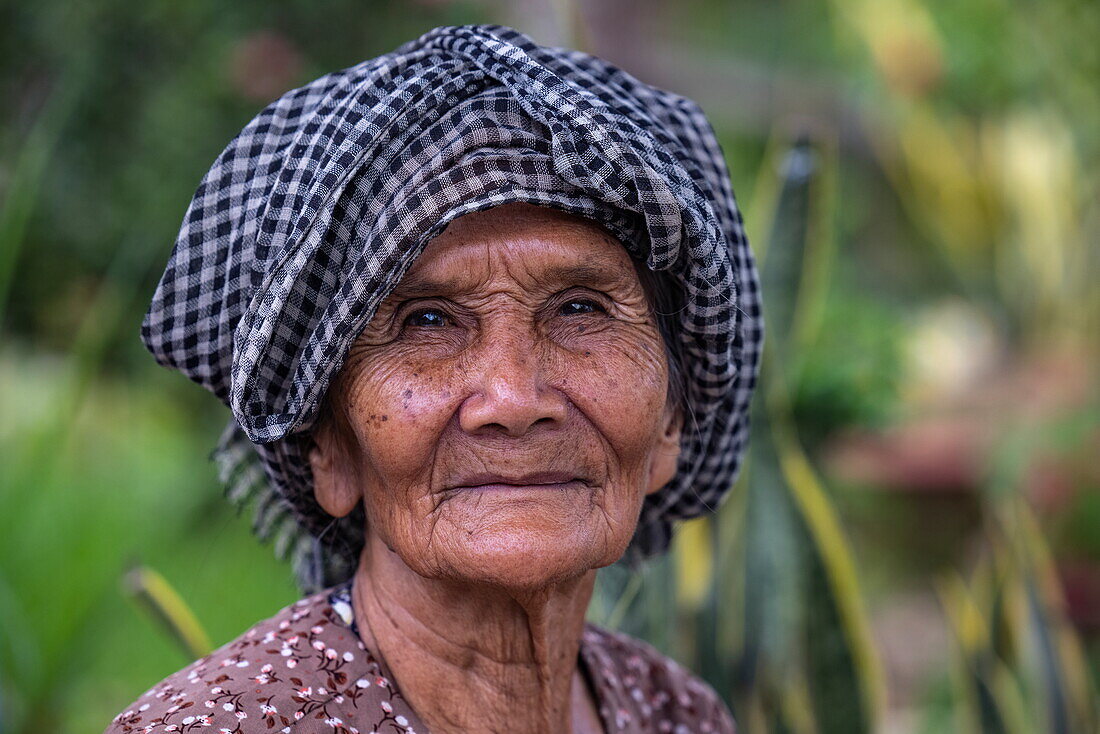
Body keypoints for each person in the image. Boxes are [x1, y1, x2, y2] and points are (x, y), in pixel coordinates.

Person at [106, 24, 761, 734]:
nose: (513, 399)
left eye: (581, 309)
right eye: (427, 322)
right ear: (328, 444)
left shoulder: (677, 714)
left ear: (672, 421)